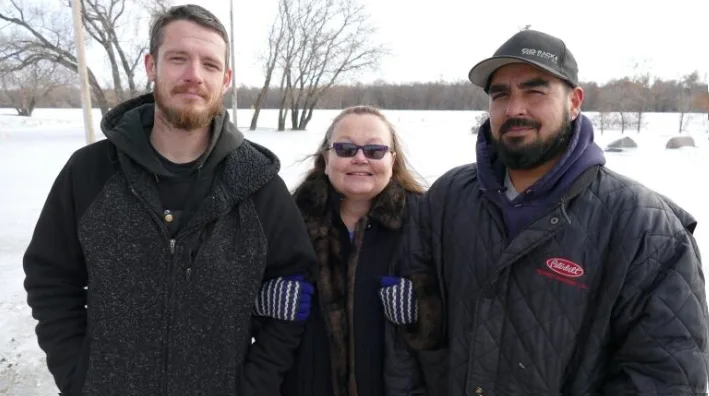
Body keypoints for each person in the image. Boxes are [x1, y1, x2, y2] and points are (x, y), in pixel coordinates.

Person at [22, 4, 316, 396]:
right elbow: (50, 279)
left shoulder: (257, 184)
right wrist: (79, 376)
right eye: (178, 59)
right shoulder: (90, 173)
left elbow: (293, 292)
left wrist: (255, 383)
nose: (194, 75)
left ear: (225, 79)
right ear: (151, 66)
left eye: (210, 65)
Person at [403, 29, 709, 395]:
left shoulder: (646, 228)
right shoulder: (449, 198)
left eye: (535, 90)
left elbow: (663, 380)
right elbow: (412, 340)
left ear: (575, 101)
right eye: (501, 95)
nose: (515, 109)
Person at [272, 105, 444, 396]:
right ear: (326, 158)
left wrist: (425, 312)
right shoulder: (289, 221)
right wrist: (261, 303)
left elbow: (465, 309)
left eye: (375, 150)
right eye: (345, 148)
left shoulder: (427, 223)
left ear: (393, 159)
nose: (360, 158)